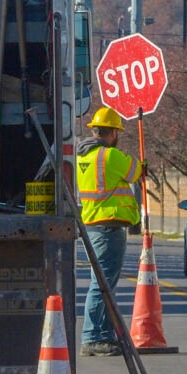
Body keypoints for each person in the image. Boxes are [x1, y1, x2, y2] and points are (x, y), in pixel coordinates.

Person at [75, 106, 143, 356]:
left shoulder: (84, 156)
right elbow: (136, 172)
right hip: (108, 225)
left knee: (103, 283)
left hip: (93, 223)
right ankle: (93, 337)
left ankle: (102, 334)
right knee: (102, 283)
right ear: (113, 132)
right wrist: (139, 164)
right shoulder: (109, 156)